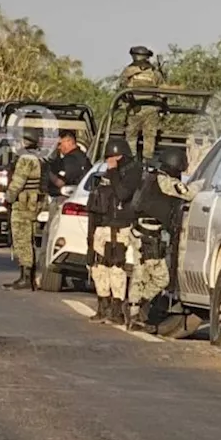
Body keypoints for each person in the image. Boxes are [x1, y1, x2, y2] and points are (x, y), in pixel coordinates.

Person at [124, 149, 201, 331]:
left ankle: (133, 313)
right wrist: (202, 185)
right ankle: (139, 305)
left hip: (139, 231)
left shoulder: (151, 177)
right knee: (161, 278)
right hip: (149, 234)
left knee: (139, 273)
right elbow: (189, 193)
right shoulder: (166, 181)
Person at [86, 137, 142, 324]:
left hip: (119, 227)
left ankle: (117, 309)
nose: (111, 160)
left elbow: (123, 194)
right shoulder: (105, 174)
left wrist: (113, 171)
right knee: (98, 266)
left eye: (114, 157)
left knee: (116, 267)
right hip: (102, 225)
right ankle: (103, 306)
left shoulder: (132, 172)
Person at [2, 131, 43, 290]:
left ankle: (26, 277)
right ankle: (28, 276)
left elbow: (18, 182)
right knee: (28, 239)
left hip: (24, 205)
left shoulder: (26, 159)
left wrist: (8, 198)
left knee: (22, 239)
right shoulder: (37, 157)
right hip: (32, 204)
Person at [120, 46, 166, 161]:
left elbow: (121, 88)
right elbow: (163, 92)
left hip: (134, 109)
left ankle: (131, 161)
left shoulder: (128, 71)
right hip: (151, 109)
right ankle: (147, 164)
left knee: (131, 138)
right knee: (149, 139)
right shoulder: (155, 72)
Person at [45, 129, 92, 218]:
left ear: (69, 141)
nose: (58, 147)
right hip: (81, 200)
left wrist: (49, 172)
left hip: (64, 202)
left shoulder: (69, 160)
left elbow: (60, 182)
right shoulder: (84, 158)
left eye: (60, 144)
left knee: (53, 229)